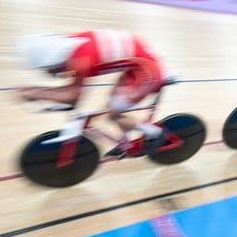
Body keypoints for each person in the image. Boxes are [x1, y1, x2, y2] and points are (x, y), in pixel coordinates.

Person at [15, 30, 167, 157]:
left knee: (114, 113)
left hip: (147, 71)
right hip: (137, 64)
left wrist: (35, 93)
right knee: (112, 105)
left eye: (47, 69)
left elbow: (72, 97)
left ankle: (156, 133)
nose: (49, 74)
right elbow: (70, 92)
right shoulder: (70, 46)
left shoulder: (80, 60)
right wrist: (38, 92)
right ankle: (126, 144)